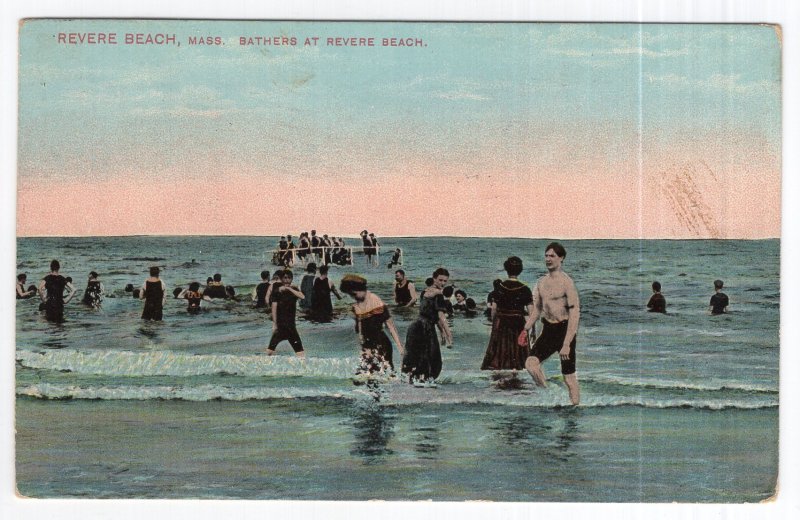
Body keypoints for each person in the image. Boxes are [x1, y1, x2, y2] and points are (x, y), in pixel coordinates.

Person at [520, 242, 581, 406]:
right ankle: (549, 394)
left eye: (552, 256)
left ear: (561, 258)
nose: (548, 259)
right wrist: (525, 329)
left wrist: (567, 343)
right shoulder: (540, 283)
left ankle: (575, 408)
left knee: (569, 377)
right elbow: (537, 310)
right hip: (548, 330)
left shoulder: (567, 282)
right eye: (546, 256)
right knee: (531, 364)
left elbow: (575, 314)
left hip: (564, 331)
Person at [340, 274, 405, 375]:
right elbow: (360, 331)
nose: (353, 297)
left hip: (381, 344)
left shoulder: (375, 300)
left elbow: (390, 326)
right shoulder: (356, 306)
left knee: (384, 375)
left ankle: (396, 388)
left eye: (354, 294)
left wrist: (400, 348)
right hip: (368, 346)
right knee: (361, 377)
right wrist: (363, 348)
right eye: (351, 295)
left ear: (361, 289)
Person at [402, 267, 453, 385]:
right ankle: (424, 384)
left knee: (415, 357)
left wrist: (441, 332)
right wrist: (449, 335)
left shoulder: (425, 291)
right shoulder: (438, 295)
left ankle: (411, 382)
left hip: (415, 326)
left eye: (445, 281)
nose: (443, 283)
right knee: (433, 359)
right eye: (440, 280)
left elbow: (432, 315)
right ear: (434, 278)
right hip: (425, 328)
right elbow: (441, 317)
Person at [481, 256, 533, 372]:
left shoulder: (500, 287)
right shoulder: (525, 289)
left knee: (500, 351)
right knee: (518, 353)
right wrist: (531, 329)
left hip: (502, 322)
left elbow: (494, 309)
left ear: (506, 269)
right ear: (520, 270)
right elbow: (531, 312)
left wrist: (494, 323)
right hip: (518, 322)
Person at [266, 270, 306, 357]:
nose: (287, 280)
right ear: (281, 279)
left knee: (300, 352)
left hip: (291, 326)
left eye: (289, 278)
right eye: (285, 278)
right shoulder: (277, 291)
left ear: (291, 279)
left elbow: (302, 296)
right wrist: (274, 324)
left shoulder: (294, 289)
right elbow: (274, 308)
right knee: (269, 351)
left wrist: (289, 288)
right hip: (281, 326)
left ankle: (302, 368)